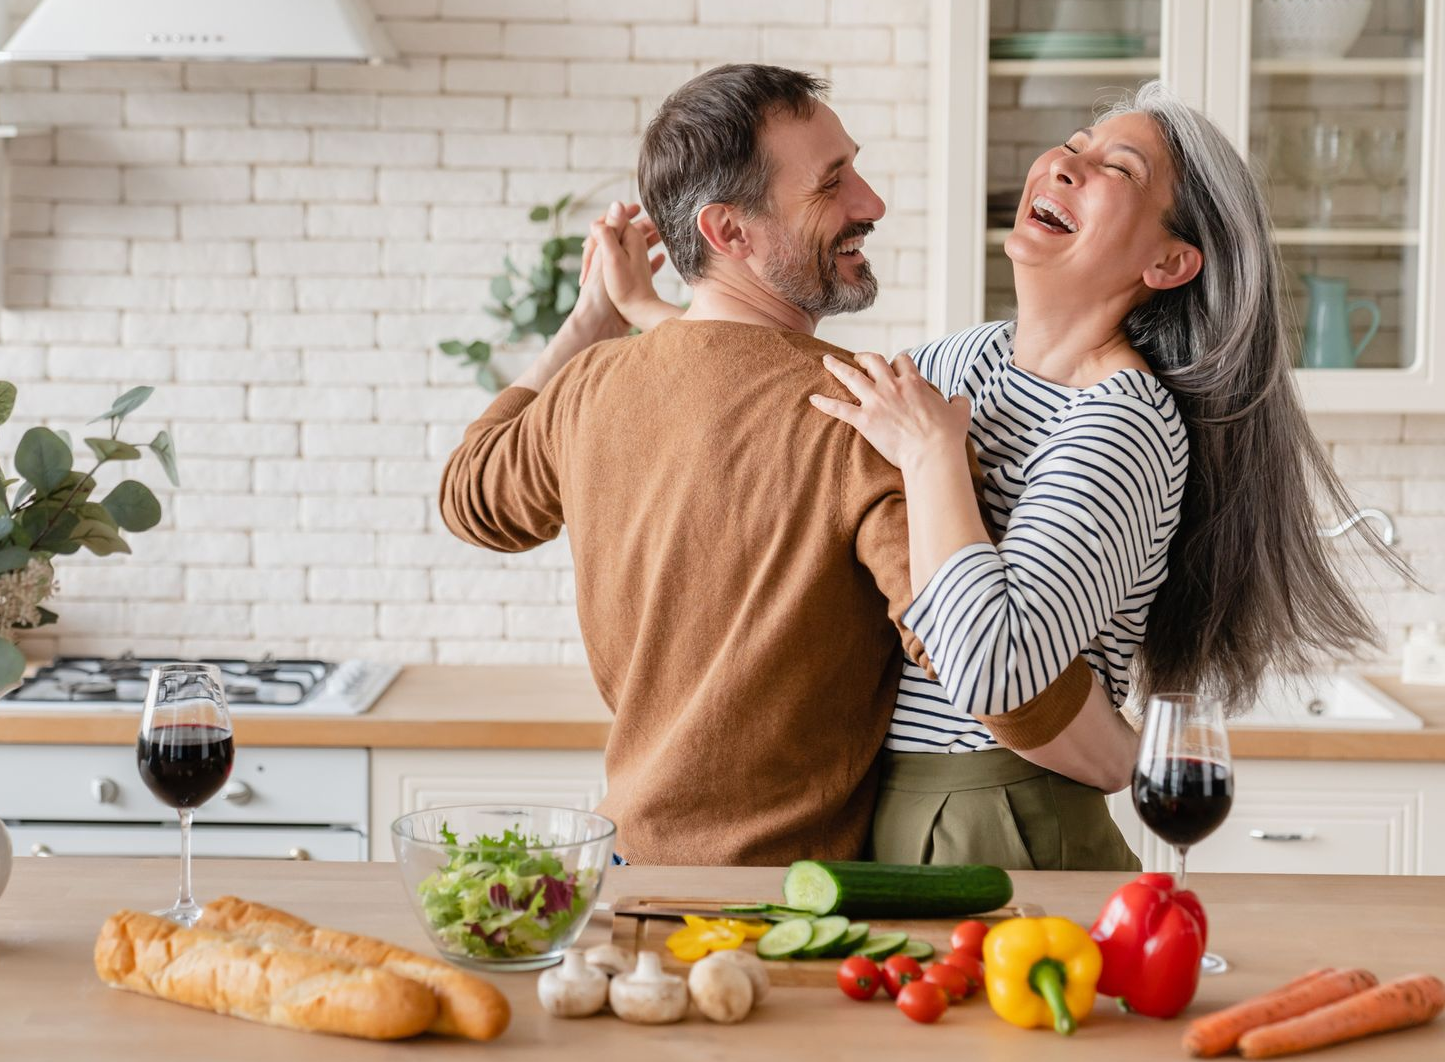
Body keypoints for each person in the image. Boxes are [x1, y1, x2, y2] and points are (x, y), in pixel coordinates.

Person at [590, 81, 1390, 869]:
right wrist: (651, 310)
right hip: (894, 805)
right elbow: (801, 394)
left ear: (1170, 260)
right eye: (1073, 146)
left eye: (1120, 170)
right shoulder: (969, 359)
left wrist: (936, 457)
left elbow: (997, 669)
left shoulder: (1122, 422)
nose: (1065, 166)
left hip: (1006, 813)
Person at [438, 64, 1129, 867]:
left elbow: (470, 495)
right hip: (778, 905)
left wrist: (589, 320)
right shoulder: (864, 417)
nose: (871, 203)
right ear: (729, 233)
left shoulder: (590, 386)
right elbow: (991, 670)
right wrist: (1130, 757)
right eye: (832, 185)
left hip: (625, 873)